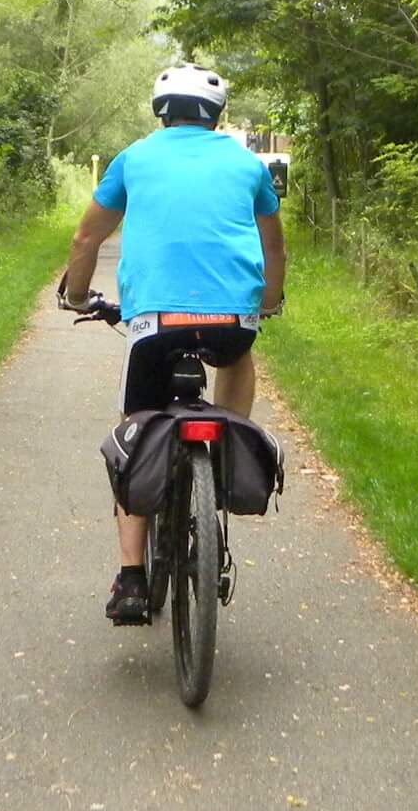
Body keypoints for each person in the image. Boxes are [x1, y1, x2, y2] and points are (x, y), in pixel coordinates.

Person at [59, 64, 286, 625]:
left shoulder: (134, 158)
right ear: (217, 114)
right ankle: (230, 447)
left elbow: (87, 235)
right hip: (232, 317)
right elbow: (274, 249)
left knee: (135, 431)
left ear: (161, 110)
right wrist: (269, 302)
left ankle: (131, 578)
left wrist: (81, 294)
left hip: (156, 323)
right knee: (238, 354)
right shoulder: (245, 163)